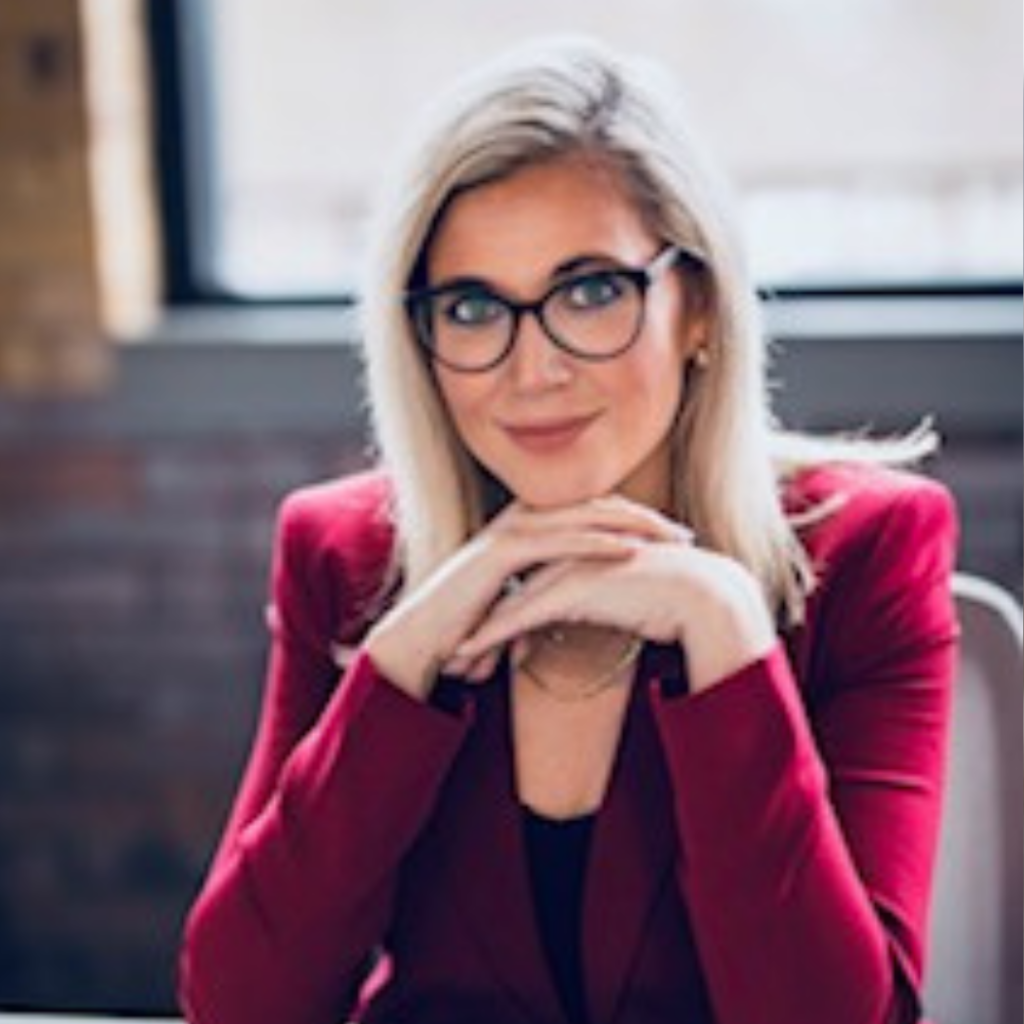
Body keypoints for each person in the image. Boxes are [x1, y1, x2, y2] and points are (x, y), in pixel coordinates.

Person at [178, 36, 958, 1024]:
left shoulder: (867, 548)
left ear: (699, 309)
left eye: (590, 292)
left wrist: (724, 633)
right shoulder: (346, 554)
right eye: (471, 307)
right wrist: (403, 659)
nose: (531, 369)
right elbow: (242, 1005)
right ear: (419, 339)